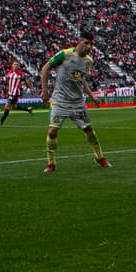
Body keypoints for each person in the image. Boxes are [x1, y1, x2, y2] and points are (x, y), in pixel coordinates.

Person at [39, 31, 109, 173]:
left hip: (77, 102)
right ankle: (51, 163)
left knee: (89, 130)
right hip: (60, 101)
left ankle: (99, 157)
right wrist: (45, 90)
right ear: (79, 42)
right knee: (52, 131)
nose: (89, 47)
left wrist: (92, 96)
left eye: (91, 44)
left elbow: (81, 79)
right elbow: (46, 68)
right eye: (86, 43)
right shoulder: (64, 54)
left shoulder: (89, 61)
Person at [0, 61, 34, 125]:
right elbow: (7, 79)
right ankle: (28, 109)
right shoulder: (10, 72)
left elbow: (26, 81)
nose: (15, 66)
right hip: (10, 92)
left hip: (15, 93)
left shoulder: (21, 74)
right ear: (12, 65)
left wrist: (30, 88)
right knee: (15, 107)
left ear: (19, 66)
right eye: (14, 64)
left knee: (7, 106)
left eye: (17, 65)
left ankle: (1, 121)